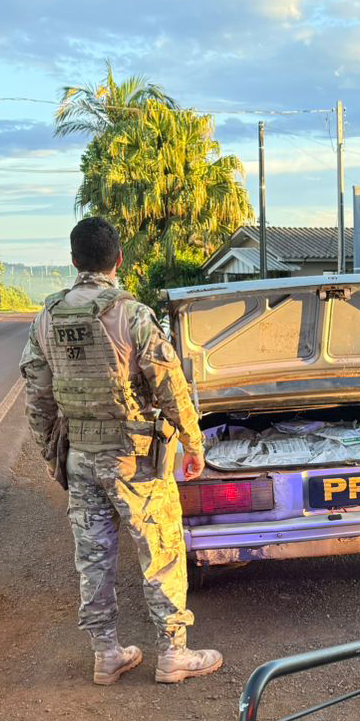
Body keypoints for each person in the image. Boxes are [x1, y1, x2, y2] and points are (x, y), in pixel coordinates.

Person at [19, 217, 222, 685]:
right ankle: (173, 654)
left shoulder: (46, 317)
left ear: (73, 260)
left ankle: (106, 654)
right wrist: (193, 442)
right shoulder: (131, 314)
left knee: (93, 558)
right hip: (135, 460)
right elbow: (169, 385)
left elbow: (37, 397)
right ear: (119, 261)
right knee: (161, 552)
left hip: (81, 455)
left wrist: (55, 458)